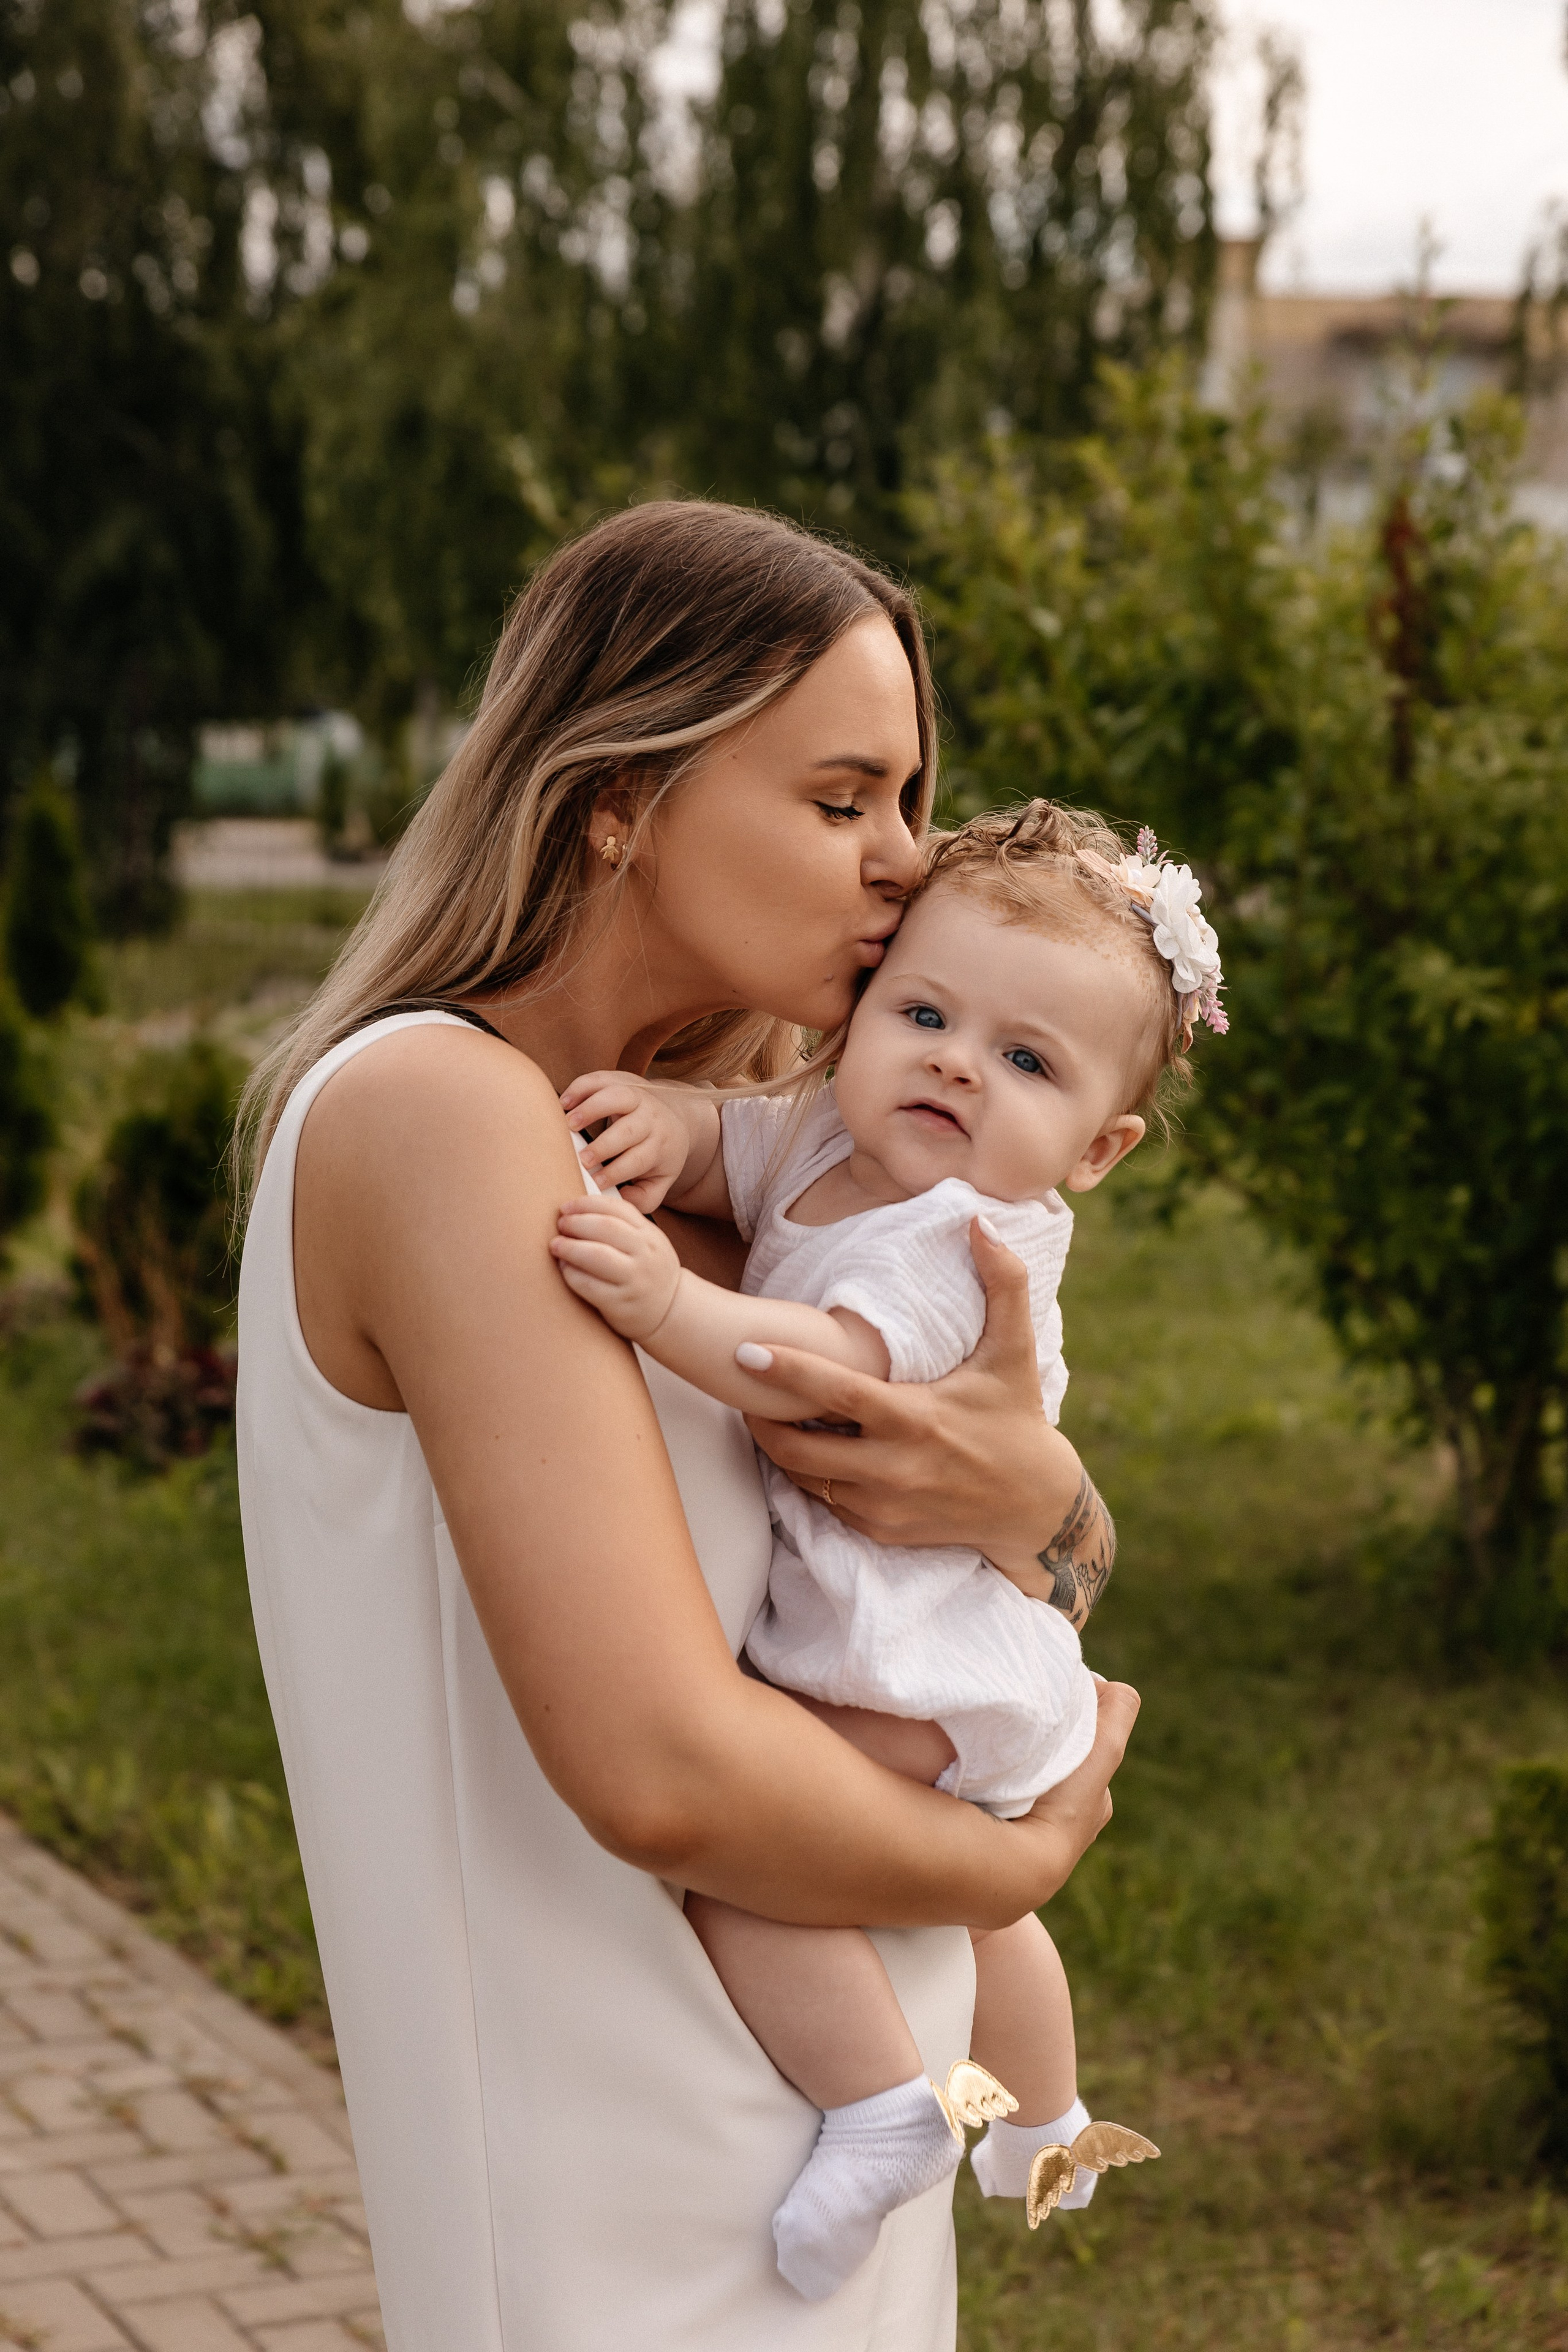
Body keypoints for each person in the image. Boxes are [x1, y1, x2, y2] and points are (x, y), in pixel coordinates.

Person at [233, 501, 1139, 2352]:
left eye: (911, 802)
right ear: (617, 793)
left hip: (823, 2160)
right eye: (842, 800)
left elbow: (993, 1562)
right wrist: (1024, 1861)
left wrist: (1053, 1517)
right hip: (621, 2220)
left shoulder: (780, 1175)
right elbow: (660, 1767)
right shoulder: (440, 1118)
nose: (906, 867)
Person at [554, 801, 1221, 2297]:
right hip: (939, 1621)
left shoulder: (964, 1239)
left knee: (752, 1862)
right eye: (922, 1011)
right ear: (865, 1009)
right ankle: (1036, 2115)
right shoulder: (828, 1122)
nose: (951, 1062)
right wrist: (665, 1129)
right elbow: (732, 1145)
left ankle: (877, 2112)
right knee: (983, 1901)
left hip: (920, 1655)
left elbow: (817, 1361)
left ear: (1095, 1149)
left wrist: (671, 1310)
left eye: (1024, 1061)